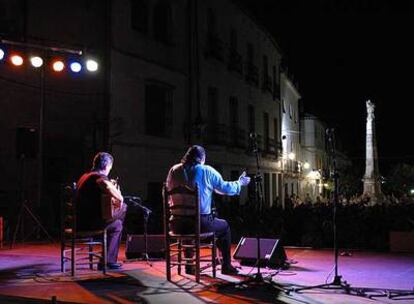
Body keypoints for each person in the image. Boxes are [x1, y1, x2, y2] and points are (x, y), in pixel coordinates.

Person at [166, 145, 251, 275]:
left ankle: (189, 265)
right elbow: (225, 188)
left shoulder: (173, 170)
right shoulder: (206, 171)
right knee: (224, 227)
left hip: (176, 224)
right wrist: (239, 183)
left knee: (187, 222)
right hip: (199, 223)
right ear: (201, 158)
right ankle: (226, 266)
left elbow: (168, 192)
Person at [75, 152, 127, 269]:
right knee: (122, 213)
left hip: (78, 222)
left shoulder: (85, 176)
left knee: (117, 223)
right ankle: (107, 261)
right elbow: (106, 185)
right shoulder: (98, 176)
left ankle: (107, 258)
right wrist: (120, 197)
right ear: (107, 166)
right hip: (89, 224)